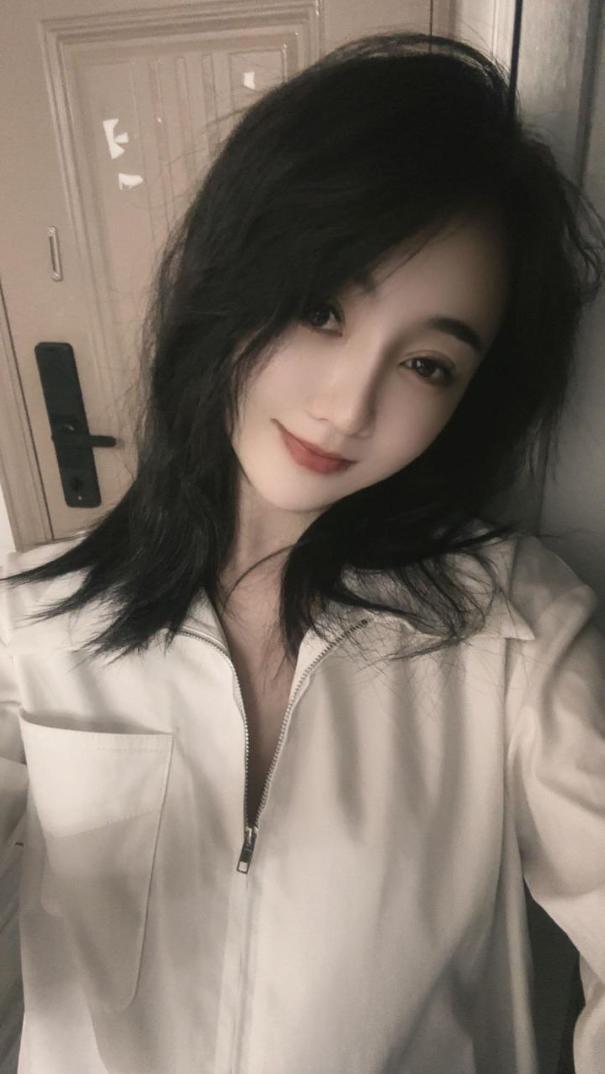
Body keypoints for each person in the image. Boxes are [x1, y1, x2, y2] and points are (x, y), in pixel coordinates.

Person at [0, 29, 604, 1074]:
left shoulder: (516, 629)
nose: (347, 405)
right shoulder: (31, 625)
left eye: (426, 363)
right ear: (227, 280)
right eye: (322, 309)